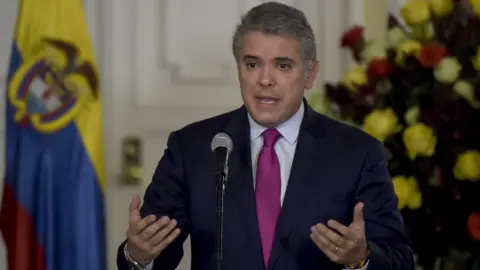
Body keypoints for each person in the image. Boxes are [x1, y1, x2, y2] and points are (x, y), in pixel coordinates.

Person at [116, 2, 415, 270]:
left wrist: (360, 259)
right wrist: (138, 256)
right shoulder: (192, 148)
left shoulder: (358, 153)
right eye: (252, 64)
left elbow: (399, 260)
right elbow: (150, 252)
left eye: (283, 65)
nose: (265, 80)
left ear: (310, 74)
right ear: (239, 70)